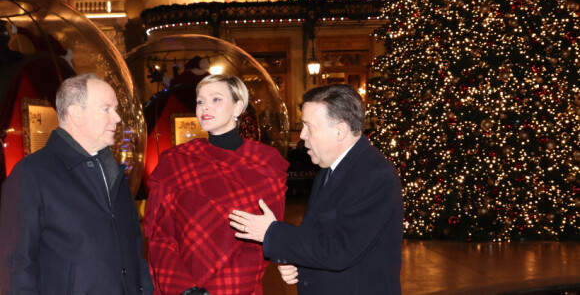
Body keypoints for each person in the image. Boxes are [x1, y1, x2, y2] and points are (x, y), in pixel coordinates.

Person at [229, 83, 404, 295]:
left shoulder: (374, 175)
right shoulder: (329, 168)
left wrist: (271, 232)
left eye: (309, 126)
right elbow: (318, 236)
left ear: (340, 130)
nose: (302, 135)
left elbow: (340, 250)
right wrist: (297, 263)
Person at [0, 73, 153, 295]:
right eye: (106, 108)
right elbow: (16, 267)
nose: (117, 118)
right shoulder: (31, 174)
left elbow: (134, 251)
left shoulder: (113, 173)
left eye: (116, 108)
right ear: (75, 114)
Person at [144, 74, 289, 295]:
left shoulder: (265, 163)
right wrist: (184, 289)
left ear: (238, 107)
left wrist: (214, 292)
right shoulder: (176, 161)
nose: (205, 107)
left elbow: (261, 244)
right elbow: (161, 236)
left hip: (237, 288)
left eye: (216, 99)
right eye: (200, 101)